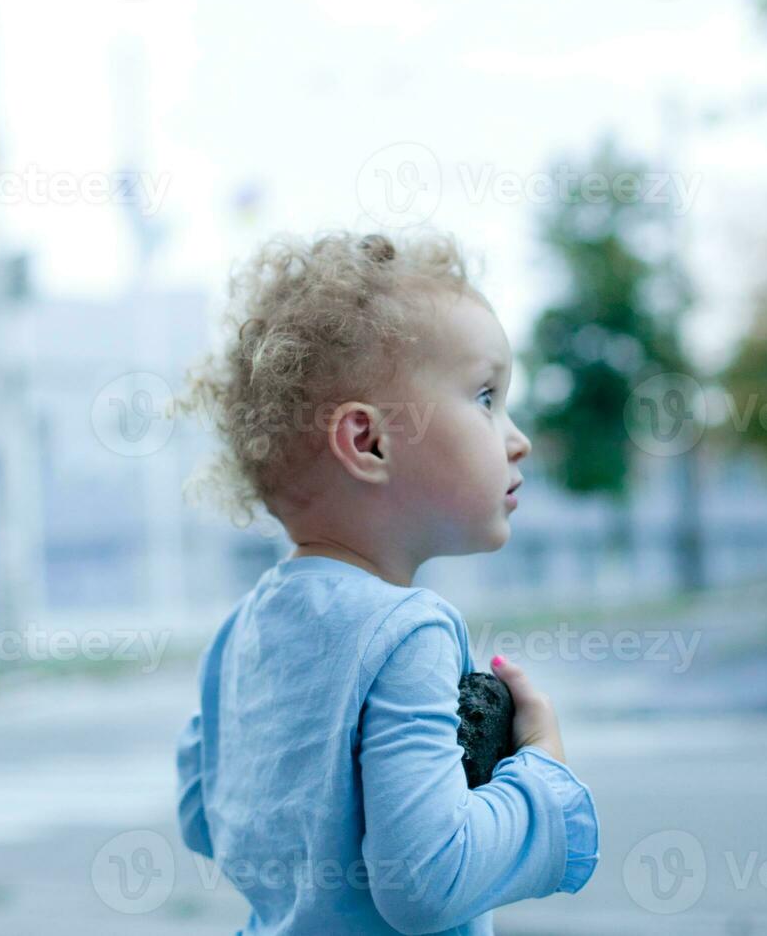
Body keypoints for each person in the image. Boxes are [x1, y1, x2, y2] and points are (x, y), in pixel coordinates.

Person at [172, 228, 599, 934]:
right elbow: (427, 882)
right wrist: (541, 773)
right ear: (368, 442)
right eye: (487, 396)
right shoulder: (408, 633)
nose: (516, 437)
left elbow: (206, 819)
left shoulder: (238, 632)